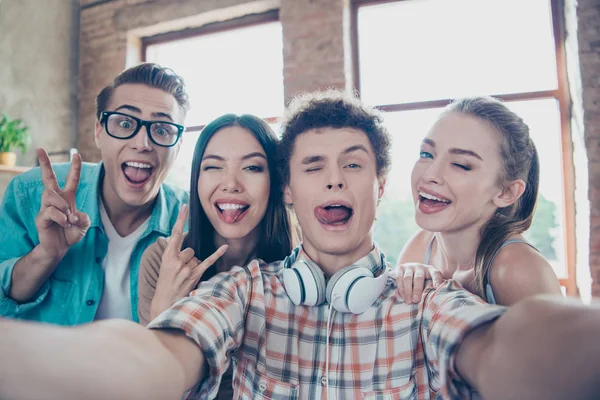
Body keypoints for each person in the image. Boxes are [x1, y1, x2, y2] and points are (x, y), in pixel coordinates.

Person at [1, 90, 599, 400]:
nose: (334, 178)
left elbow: (506, 342)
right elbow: (153, 357)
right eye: (313, 165)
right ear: (288, 190)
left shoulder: (425, 297)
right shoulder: (241, 290)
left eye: (352, 164)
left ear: (380, 185)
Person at [0, 63, 189, 325]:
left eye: (161, 129)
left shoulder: (194, 223)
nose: (142, 144)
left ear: (178, 145)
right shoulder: (30, 193)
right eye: (125, 123)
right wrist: (46, 254)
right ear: (99, 132)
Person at [137, 114, 296, 400]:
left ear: (277, 180)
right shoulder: (162, 259)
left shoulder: (301, 267)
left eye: (251, 167)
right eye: (213, 167)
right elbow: (150, 386)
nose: (231, 184)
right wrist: (163, 309)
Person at [394, 96, 562, 305]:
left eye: (461, 165)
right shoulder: (419, 249)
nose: (430, 174)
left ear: (506, 192)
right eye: (426, 154)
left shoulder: (519, 269)